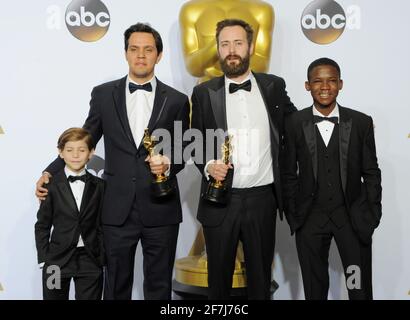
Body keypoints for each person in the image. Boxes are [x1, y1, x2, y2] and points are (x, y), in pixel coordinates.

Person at [35, 23, 190, 300]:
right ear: (126, 53)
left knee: (159, 287)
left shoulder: (178, 100)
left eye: (148, 49)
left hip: (161, 207)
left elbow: (182, 150)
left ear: (159, 55)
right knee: (115, 287)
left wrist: (169, 164)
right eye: (134, 49)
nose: (140, 55)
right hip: (116, 208)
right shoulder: (103, 94)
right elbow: (85, 139)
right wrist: (49, 172)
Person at [191, 18, 296, 299]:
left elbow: (298, 125)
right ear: (218, 49)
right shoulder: (204, 92)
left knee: (261, 282)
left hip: (263, 200)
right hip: (220, 199)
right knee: (219, 285)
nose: (232, 50)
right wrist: (207, 165)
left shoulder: (274, 86)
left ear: (250, 46)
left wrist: (344, 121)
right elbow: (194, 140)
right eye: (225, 44)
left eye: (238, 43)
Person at [281, 58, 382, 300]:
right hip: (310, 221)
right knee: (315, 290)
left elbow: (371, 172)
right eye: (317, 81)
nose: (324, 86)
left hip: (352, 220)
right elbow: (287, 173)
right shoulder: (294, 123)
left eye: (331, 81)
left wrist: (371, 214)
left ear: (340, 84)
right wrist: (296, 217)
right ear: (307, 85)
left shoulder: (360, 122)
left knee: (358, 287)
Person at [35, 127, 105, 300]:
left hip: (90, 260)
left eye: (81, 150)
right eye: (69, 150)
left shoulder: (101, 186)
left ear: (91, 153)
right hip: (56, 262)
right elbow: (42, 225)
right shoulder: (49, 186)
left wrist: (101, 255)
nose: (75, 155)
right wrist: (45, 259)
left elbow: (102, 223)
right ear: (60, 153)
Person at [179, 0, 274, 82]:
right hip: (206, 94)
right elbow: (193, 68)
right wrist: (222, 43)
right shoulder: (191, 10)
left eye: (239, 43)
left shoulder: (262, 10)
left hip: (246, 93)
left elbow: (262, 65)